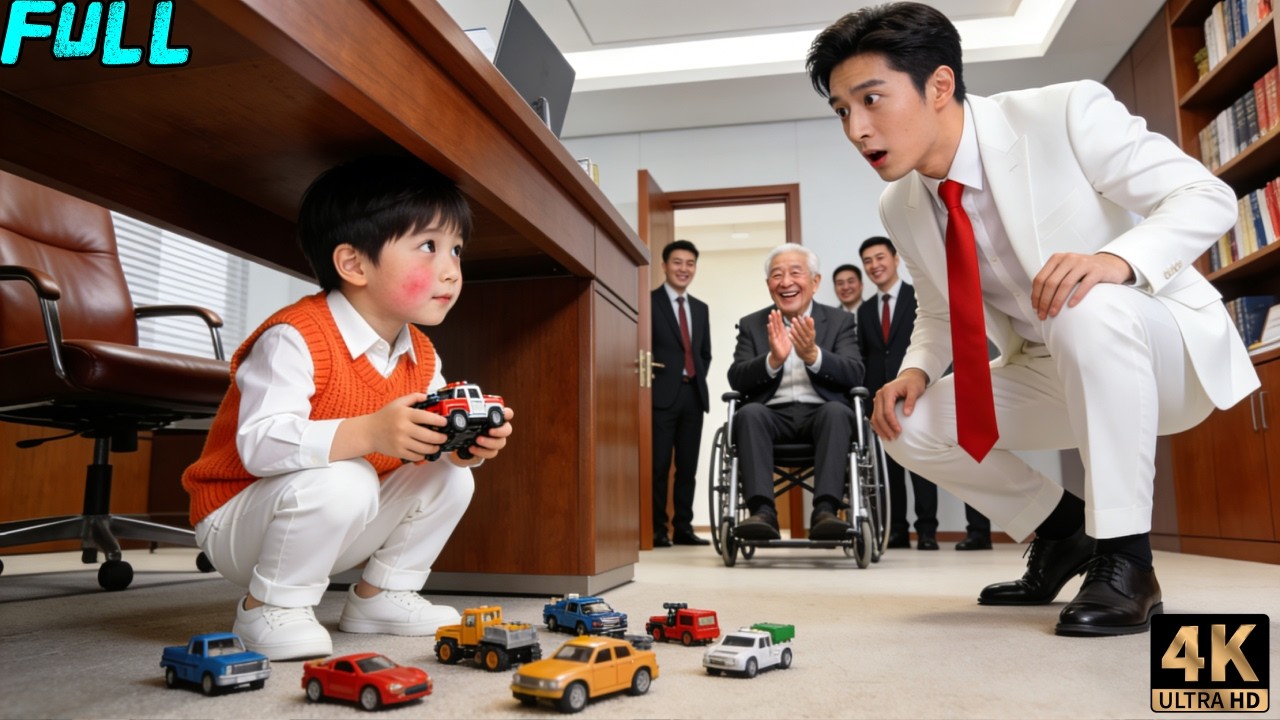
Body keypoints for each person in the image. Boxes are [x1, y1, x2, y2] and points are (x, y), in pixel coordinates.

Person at [807, 3, 1256, 636]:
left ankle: (1127, 560)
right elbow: (939, 309)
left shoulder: (1063, 113)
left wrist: (1114, 260)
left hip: (1158, 353)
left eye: (871, 99)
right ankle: (1061, 529)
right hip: (1049, 366)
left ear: (939, 86)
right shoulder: (900, 204)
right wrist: (915, 370)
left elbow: (1206, 195)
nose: (856, 128)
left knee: (1085, 301)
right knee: (903, 422)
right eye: (842, 111)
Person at [181, 155, 515, 660]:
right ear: (354, 264)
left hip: (333, 516)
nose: (451, 270)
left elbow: (429, 445)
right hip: (239, 518)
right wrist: (370, 433)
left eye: (456, 250)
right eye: (429, 247)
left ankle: (381, 597)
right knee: (348, 474)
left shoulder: (421, 353)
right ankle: (267, 605)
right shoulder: (296, 335)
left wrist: (465, 447)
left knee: (449, 477)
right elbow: (259, 447)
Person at [858, 235, 992, 551]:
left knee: (923, 466)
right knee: (890, 467)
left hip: (920, 392)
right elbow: (866, 357)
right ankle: (898, 531)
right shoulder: (865, 311)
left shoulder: (918, 297)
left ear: (895, 259)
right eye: (868, 261)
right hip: (882, 396)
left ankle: (927, 532)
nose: (874, 265)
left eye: (880, 257)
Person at [727, 244, 865, 541]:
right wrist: (772, 360)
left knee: (838, 411)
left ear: (815, 282)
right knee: (748, 413)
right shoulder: (753, 324)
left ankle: (825, 510)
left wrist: (813, 354)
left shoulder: (840, 321)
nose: (786, 282)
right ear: (769, 286)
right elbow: (736, 379)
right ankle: (762, 512)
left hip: (822, 415)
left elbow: (855, 372)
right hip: (770, 417)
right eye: (777, 275)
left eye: (795, 273)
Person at [651, 239, 712, 547]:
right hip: (660, 396)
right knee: (659, 465)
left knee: (687, 468)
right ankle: (657, 530)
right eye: (677, 262)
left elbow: (705, 353)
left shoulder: (700, 309)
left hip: (693, 396)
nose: (683, 269)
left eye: (689, 263)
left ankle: (684, 528)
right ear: (664, 265)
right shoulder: (649, 302)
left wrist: (695, 378)